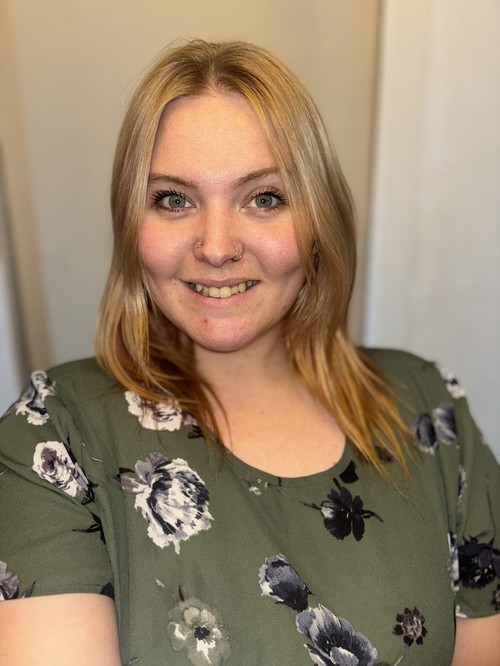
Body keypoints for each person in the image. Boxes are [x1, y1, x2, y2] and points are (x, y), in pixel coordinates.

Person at [0, 40, 498, 666]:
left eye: (264, 198)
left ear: (318, 220)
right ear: (132, 224)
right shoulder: (54, 439)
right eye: (174, 199)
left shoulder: (429, 409)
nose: (216, 246)